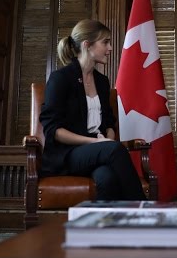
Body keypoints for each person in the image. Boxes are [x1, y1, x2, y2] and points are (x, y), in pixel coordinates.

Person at [39, 19, 146, 201]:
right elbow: (53, 131)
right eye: (105, 42)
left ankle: (106, 227)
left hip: (98, 152)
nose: (110, 48)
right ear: (87, 45)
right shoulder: (60, 79)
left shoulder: (102, 82)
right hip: (67, 154)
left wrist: (107, 140)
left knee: (107, 179)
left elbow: (109, 123)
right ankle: (145, 212)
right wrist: (96, 143)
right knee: (114, 150)